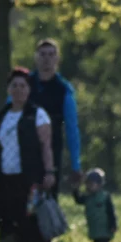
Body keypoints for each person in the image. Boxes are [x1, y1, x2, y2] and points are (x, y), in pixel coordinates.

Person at [0, 67, 57, 242]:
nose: (18, 90)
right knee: (14, 218)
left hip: (31, 176)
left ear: (29, 89)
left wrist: (49, 171)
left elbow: (46, 146)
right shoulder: (3, 116)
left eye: (22, 86)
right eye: (14, 86)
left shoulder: (37, 115)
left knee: (31, 218)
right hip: (7, 176)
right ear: (9, 89)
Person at [26, 39, 82, 193]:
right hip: (24, 150)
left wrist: (75, 164)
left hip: (51, 151)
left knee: (48, 201)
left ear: (57, 59)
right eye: (42, 54)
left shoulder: (64, 90)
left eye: (51, 54)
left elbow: (72, 128)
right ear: (36, 57)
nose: (46, 59)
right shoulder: (23, 85)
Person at [72, 168, 119, 242]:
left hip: (104, 227)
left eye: (92, 184)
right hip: (94, 227)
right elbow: (78, 200)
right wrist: (76, 189)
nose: (89, 186)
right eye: (88, 184)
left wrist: (113, 224)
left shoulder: (105, 197)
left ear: (100, 184)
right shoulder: (87, 197)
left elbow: (111, 212)